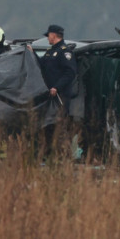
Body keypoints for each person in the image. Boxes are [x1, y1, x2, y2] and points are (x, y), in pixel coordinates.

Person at [31, 24, 80, 161]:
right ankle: (48, 155)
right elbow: (42, 66)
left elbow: (70, 73)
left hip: (60, 97)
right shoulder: (49, 52)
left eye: (49, 36)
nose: (48, 38)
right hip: (49, 98)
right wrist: (32, 53)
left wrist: (57, 87)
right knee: (48, 126)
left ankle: (65, 156)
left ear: (54, 35)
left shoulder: (65, 52)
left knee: (60, 126)